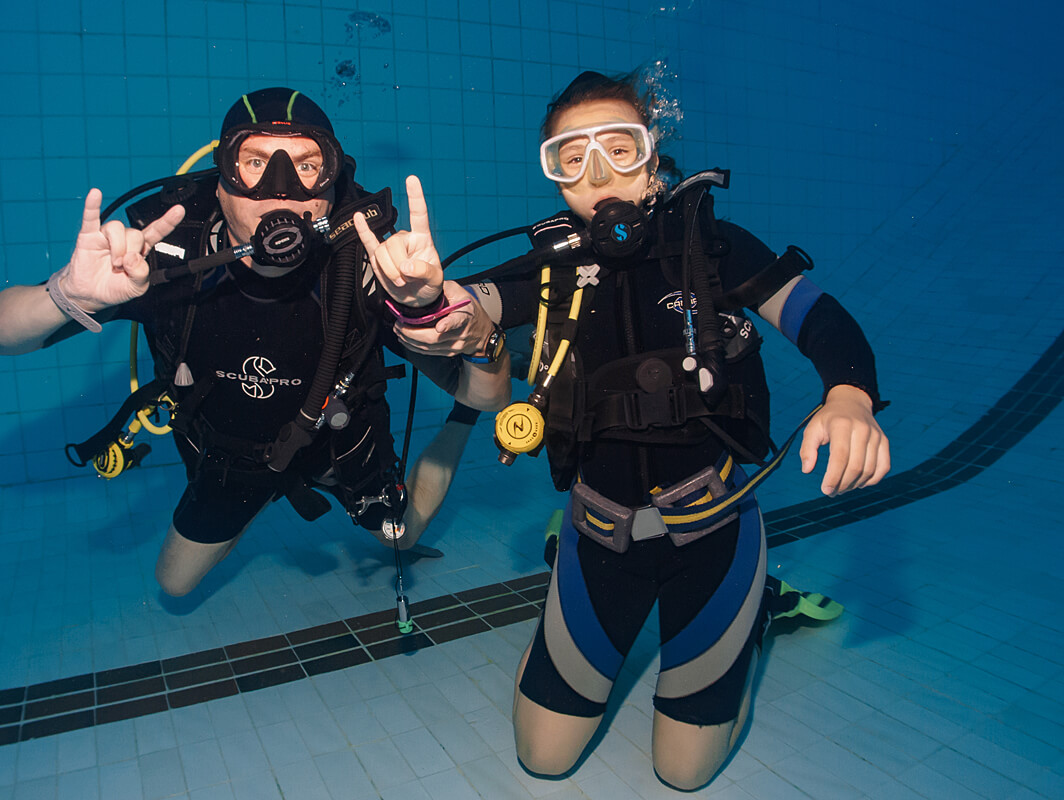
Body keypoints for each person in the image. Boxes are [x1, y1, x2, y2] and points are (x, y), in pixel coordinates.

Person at [355, 71, 889, 790]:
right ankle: (564, 599)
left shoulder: (717, 248)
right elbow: (469, 307)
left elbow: (819, 316)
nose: (598, 173)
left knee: (684, 776)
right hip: (598, 533)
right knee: (539, 760)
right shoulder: (552, 269)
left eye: (620, 147)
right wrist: (423, 302)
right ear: (553, 174)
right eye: (570, 158)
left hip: (715, 533)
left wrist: (850, 395)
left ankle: (754, 609)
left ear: (653, 150)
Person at [0, 87, 510, 598]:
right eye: (254, 162)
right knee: (173, 583)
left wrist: (478, 341)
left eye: (305, 165)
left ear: (330, 185)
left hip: (338, 443)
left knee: (402, 536)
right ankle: (256, 500)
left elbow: (488, 395)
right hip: (235, 456)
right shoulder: (163, 259)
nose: (280, 188)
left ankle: (452, 428)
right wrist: (67, 294)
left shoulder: (367, 264)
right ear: (221, 178)